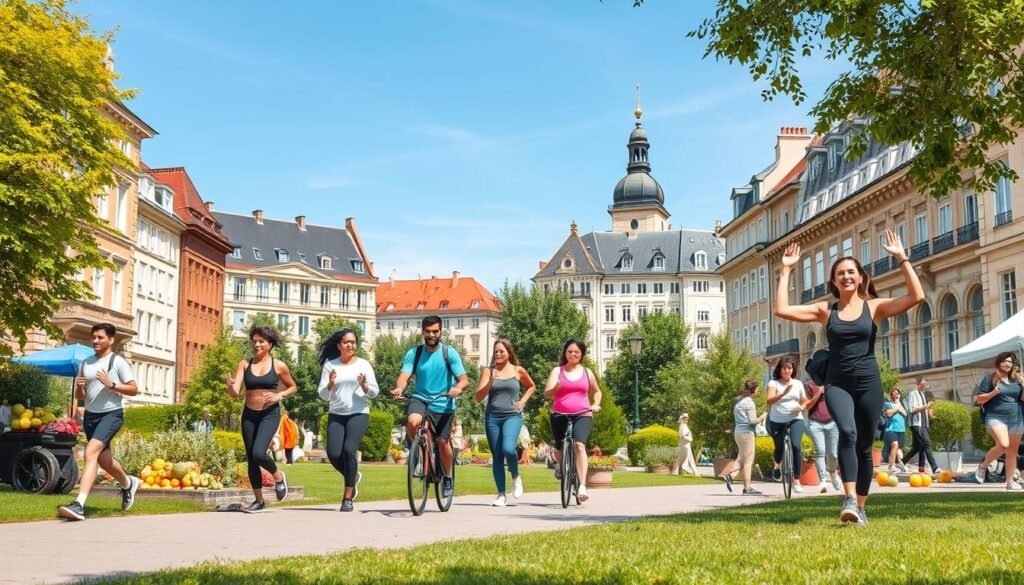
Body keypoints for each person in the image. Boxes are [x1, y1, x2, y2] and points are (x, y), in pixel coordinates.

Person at [775, 230, 924, 525]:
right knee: (848, 432)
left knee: (865, 447)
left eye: (851, 272)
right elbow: (782, 309)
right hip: (838, 383)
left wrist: (902, 258)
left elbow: (916, 296)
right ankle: (850, 499)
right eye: (840, 273)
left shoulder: (874, 307)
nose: (846, 276)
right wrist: (786, 269)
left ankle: (861, 507)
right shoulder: (825, 311)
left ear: (860, 277)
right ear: (834, 281)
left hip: (869, 383)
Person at [58, 323, 140, 521]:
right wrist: (79, 388)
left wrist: (111, 384)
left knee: (91, 452)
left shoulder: (117, 362)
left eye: (100, 337)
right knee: (104, 460)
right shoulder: (85, 363)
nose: (95, 340)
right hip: (91, 416)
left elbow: (134, 389)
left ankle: (79, 504)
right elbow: (81, 396)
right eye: (93, 337)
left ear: (110, 340)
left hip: (111, 415)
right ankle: (128, 483)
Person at [390, 316, 470, 500]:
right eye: (428, 331)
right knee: (413, 421)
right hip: (420, 398)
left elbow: (464, 380)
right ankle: (418, 455)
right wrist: (399, 388)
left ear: (441, 332)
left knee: (442, 442)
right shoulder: (415, 353)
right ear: (422, 333)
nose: (432, 335)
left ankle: (447, 477)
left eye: (435, 331)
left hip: (443, 402)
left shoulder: (449, 353)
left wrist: (458, 388)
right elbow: (404, 375)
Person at [226, 325, 298, 512]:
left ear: (270, 344)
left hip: (269, 414)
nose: (256, 344)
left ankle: (278, 477)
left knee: (259, 453)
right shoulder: (245, 364)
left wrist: (279, 395)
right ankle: (259, 501)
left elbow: (292, 387)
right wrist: (230, 386)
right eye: (254, 341)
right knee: (251, 458)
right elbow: (235, 393)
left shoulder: (278, 365)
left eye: (261, 341)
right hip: (249, 414)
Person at [317, 328, 379, 511]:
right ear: (339, 346)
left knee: (349, 450)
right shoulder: (330, 366)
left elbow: (375, 392)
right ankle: (353, 476)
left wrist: (364, 385)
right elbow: (323, 395)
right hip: (336, 414)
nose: (350, 345)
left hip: (358, 413)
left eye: (353, 342)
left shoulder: (364, 365)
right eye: (346, 342)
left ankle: (347, 498)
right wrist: (330, 384)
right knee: (334, 454)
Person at [474, 339, 537, 507]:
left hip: (512, 416)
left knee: (508, 448)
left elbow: (531, 386)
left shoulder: (518, 370)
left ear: (509, 352)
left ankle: (515, 476)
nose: (498, 354)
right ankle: (501, 494)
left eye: (501, 351)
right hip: (492, 418)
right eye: (496, 351)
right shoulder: (488, 371)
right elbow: (478, 397)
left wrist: (523, 401)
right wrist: (490, 381)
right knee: (497, 456)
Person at [543, 338, 602, 503]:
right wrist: (554, 389)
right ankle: (560, 467)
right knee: (559, 445)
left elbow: (597, 391)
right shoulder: (557, 371)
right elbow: (547, 394)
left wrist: (596, 404)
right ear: (565, 353)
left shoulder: (587, 372)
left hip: (582, 414)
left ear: (581, 354)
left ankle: (582, 485)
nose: (573, 354)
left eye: (576, 352)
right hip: (559, 413)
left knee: (579, 445)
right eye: (570, 351)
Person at [974, 352, 1024, 489]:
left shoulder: (1016, 380)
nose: (1007, 364)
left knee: (1012, 452)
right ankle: (983, 466)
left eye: (1010, 362)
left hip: (1017, 418)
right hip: (996, 417)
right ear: (999, 362)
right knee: (1003, 445)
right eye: (1005, 361)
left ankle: (1010, 483)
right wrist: (994, 392)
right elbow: (979, 400)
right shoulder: (990, 378)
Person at [766, 355, 810, 492]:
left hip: (795, 418)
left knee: (796, 445)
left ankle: (796, 480)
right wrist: (783, 393)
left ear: (793, 369)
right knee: (779, 447)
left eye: (789, 368)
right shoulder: (774, 383)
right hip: (777, 420)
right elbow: (769, 400)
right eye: (784, 368)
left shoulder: (798, 384)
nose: (787, 371)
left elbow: (805, 401)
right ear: (779, 369)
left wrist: (801, 407)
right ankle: (777, 465)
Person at [722, 379, 765, 495]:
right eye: (757, 389)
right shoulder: (749, 402)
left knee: (741, 458)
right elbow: (753, 421)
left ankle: (730, 476)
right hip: (747, 433)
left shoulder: (739, 401)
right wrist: (763, 416)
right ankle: (747, 487)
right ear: (753, 390)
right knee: (748, 461)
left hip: (738, 432)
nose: (758, 391)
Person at [804, 379, 842, 493]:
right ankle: (823, 480)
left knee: (833, 454)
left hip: (832, 422)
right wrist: (818, 392)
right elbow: (807, 406)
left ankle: (832, 472)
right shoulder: (809, 385)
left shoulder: (832, 383)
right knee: (820, 451)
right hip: (815, 422)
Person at [903, 377, 940, 475]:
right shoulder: (913, 394)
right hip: (916, 424)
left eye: (926, 383)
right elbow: (912, 409)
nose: (925, 384)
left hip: (924, 424)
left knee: (918, 447)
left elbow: (925, 409)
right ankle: (935, 468)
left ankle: (904, 463)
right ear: (918, 383)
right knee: (927, 444)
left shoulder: (923, 395)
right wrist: (925, 406)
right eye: (924, 382)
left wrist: (930, 413)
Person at [882, 388, 909, 473]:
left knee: (899, 449)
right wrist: (897, 408)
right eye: (893, 393)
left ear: (899, 395)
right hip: (891, 429)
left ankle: (900, 464)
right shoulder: (888, 404)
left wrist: (899, 405)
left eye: (897, 393)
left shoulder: (902, 404)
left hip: (901, 429)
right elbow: (888, 413)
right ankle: (892, 466)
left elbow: (905, 414)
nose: (895, 395)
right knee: (895, 444)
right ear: (891, 395)